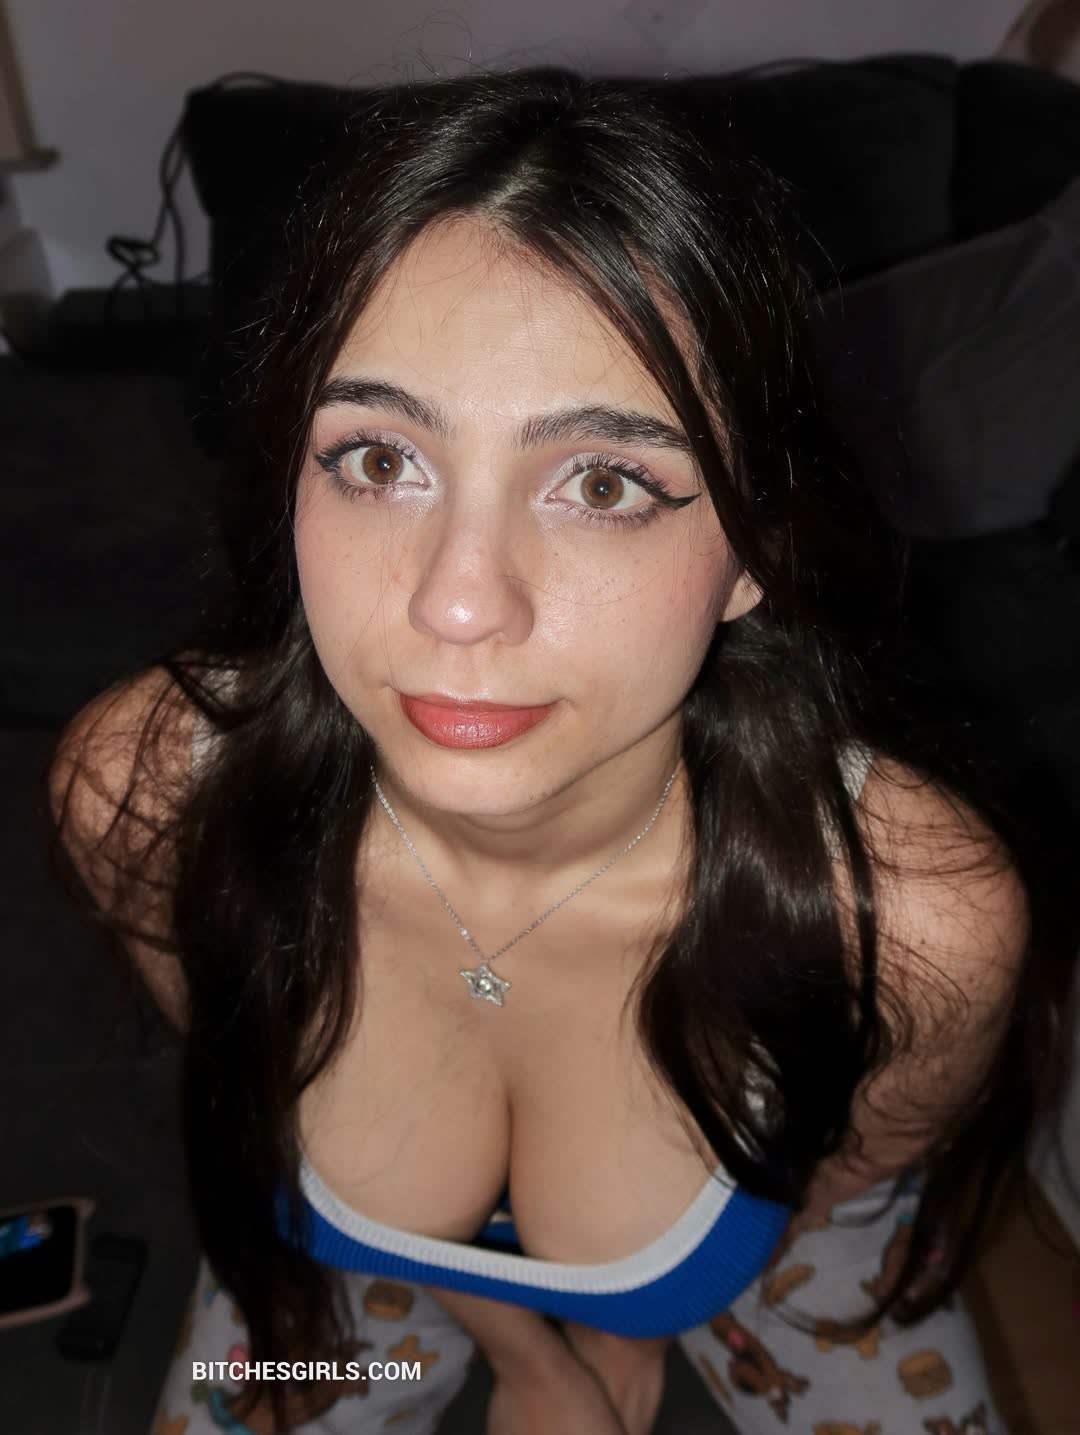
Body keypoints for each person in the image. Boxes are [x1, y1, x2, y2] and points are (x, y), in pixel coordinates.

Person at [45, 69, 1073, 1435]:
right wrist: (527, 1353)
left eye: (603, 482)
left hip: (764, 1270)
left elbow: (842, 1172)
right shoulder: (146, 789)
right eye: (380, 460)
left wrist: (646, 1308)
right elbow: (233, 1085)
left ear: (754, 553)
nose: (459, 603)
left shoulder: (915, 921)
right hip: (359, 1285)